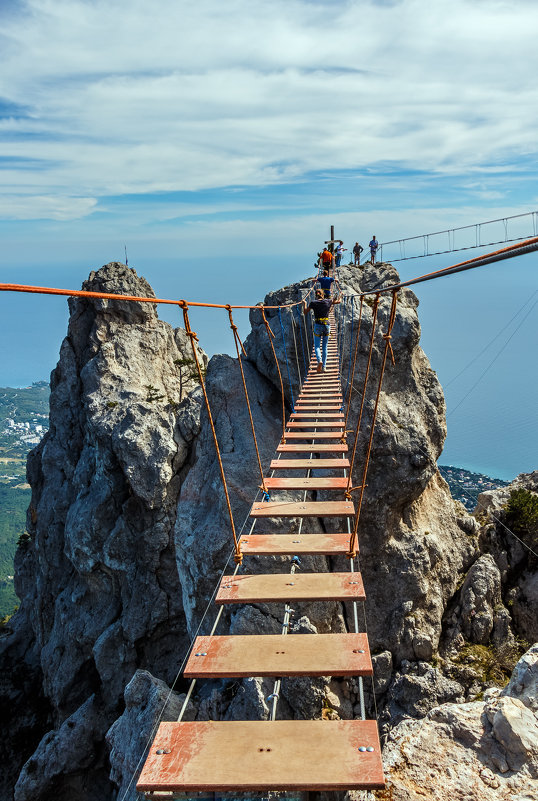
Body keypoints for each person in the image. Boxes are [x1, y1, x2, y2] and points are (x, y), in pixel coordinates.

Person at [303, 289, 341, 372]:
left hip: (318, 325)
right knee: (325, 346)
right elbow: (338, 302)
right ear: (323, 295)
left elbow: (305, 312)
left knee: (317, 346)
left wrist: (305, 304)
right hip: (326, 325)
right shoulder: (328, 301)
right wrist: (341, 296)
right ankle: (324, 366)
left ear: (316, 295)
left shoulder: (313, 303)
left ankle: (319, 360)